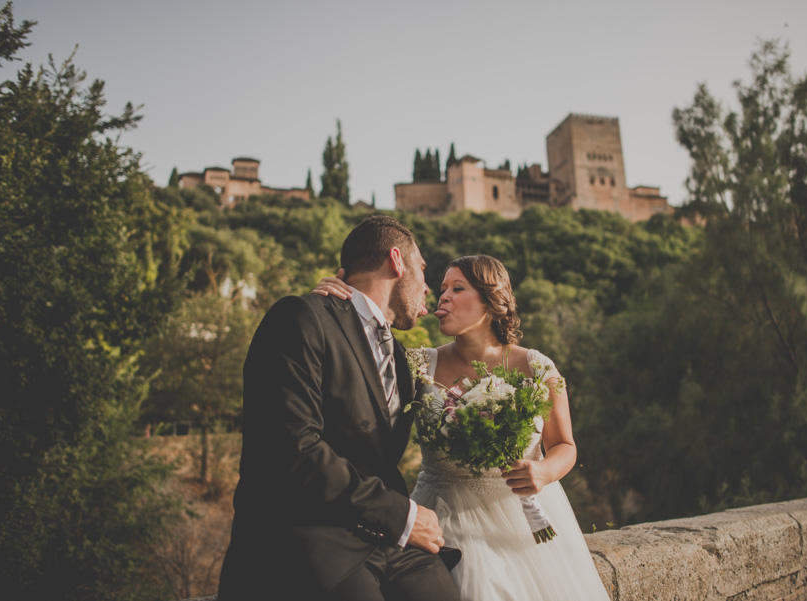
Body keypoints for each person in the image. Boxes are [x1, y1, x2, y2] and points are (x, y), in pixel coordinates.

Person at [314, 254, 610, 601]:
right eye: (441, 289)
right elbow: (354, 364)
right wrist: (334, 308)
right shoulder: (417, 365)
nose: (443, 297)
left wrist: (543, 471)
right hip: (443, 516)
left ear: (491, 299)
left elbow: (565, 445)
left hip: (522, 522)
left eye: (457, 288)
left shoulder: (537, 367)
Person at [218, 216, 461, 601]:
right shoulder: (301, 318)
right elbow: (293, 449)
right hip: (308, 536)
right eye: (424, 269)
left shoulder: (399, 357)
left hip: (384, 543)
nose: (428, 288)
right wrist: (403, 516)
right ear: (397, 261)